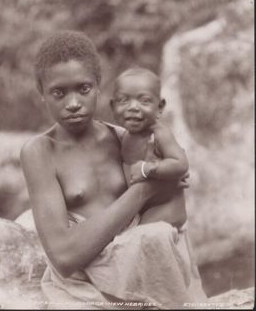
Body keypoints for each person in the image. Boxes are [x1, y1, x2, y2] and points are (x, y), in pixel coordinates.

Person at [20, 31, 207, 309]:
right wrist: (143, 190)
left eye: (83, 89)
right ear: (42, 95)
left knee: (159, 236)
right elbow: (64, 258)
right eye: (59, 93)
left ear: (98, 87)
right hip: (88, 279)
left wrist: (167, 176)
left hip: (141, 266)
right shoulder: (40, 152)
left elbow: (170, 202)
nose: (73, 103)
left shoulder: (125, 139)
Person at [110, 67, 188, 228]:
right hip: (143, 209)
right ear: (112, 107)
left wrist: (148, 168)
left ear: (159, 108)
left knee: (138, 238)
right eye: (123, 100)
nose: (133, 107)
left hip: (167, 209)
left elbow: (181, 164)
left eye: (144, 100)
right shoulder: (124, 136)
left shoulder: (158, 134)